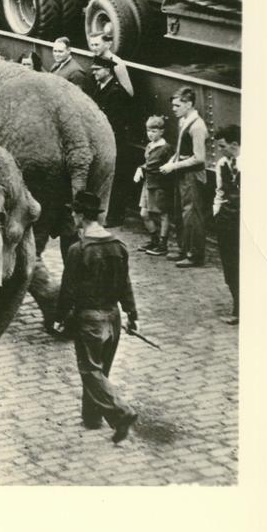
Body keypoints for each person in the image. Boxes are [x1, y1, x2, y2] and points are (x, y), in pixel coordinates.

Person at [53, 190, 140, 443]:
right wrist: (131, 314)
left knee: (91, 371)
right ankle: (92, 417)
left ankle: (121, 411)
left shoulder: (78, 250)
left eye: (74, 212)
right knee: (102, 371)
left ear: (80, 216)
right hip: (113, 316)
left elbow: (68, 289)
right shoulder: (118, 246)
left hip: (90, 318)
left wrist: (59, 317)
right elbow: (126, 284)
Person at [161, 87, 209, 267]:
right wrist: (172, 161)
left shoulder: (197, 126)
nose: (173, 109)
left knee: (192, 215)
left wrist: (173, 165)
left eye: (177, 105)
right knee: (182, 213)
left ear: (189, 104)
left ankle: (194, 254)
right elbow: (180, 149)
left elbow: (199, 158)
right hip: (183, 174)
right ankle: (184, 248)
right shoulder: (184, 120)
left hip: (192, 176)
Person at [88, 54, 133, 227]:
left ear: (107, 70)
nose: (94, 73)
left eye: (97, 70)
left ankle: (115, 216)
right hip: (105, 140)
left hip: (116, 141)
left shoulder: (115, 92)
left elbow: (115, 120)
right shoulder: (101, 88)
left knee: (117, 180)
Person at [132, 115, 174, 257]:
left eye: (154, 131)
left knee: (163, 214)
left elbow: (160, 166)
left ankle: (163, 244)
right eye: (149, 131)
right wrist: (143, 168)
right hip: (148, 183)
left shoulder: (166, 148)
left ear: (162, 131)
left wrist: (143, 168)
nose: (150, 134)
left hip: (160, 185)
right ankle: (154, 239)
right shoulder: (150, 146)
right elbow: (149, 162)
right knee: (144, 213)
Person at [211, 125, 240, 325]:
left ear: (235, 144)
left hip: (243, 222)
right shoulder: (222, 164)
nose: (220, 150)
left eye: (223, 146)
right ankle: (237, 305)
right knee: (229, 264)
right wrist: (217, 211)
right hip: (226, 221)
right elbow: (220, 191)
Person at [86, 31, 133, 96]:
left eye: (97, 45)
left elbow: (129, 92)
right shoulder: (95, 58)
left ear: (108, 44)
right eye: (92, 45)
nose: (94, 48)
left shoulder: (117, 64)